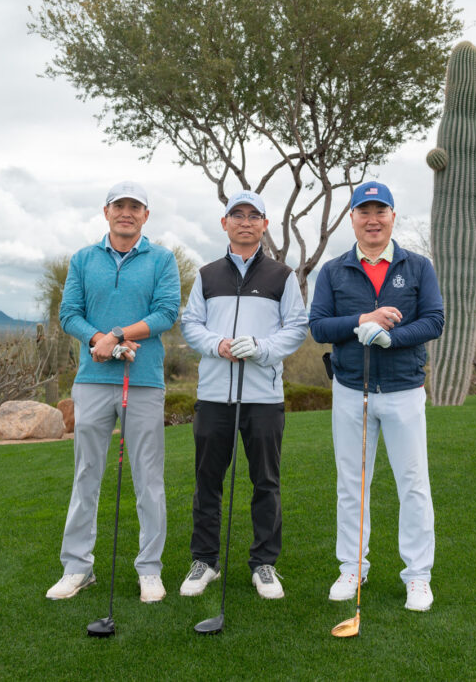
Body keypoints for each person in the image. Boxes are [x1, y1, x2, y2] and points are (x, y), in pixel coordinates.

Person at [308, 180, 445, 613]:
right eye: (364, 212)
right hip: (352, 391)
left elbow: (434, 320)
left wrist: (392, 337)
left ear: (392, 216)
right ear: (352, 218)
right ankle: (352, 568)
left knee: (413, 485)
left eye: (380, 211)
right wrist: (362, 321)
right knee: (352, 485)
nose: (372, 220)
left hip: (404, 391)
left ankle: (418, 575)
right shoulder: (333, 271)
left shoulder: (417, 266)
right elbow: (318, 327)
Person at [46, 181, 181, 604]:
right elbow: (69, 314)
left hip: (143, 382)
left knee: (148, 479)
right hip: (92, 380)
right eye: (118, 205)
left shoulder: (162, 259)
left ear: (145, 215)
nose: (126, 212)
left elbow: (166, 313)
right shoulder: (84, 259)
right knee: (86, 474)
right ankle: (77, 567)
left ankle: (150, 569)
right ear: (106, 212)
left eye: (134, 206)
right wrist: (99, 341)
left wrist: (118, 335)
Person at [179, 191, 308, 600]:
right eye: (238, 215)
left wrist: (261, 348)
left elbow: (297, 326)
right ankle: (205, 561)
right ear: (225, 223)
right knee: (207, 480)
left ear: (265, 225)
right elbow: (190, 323)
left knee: (265, 482)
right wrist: (217, 344)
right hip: (214, 394)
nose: (246, 222)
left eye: (255, 216)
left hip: (263, 396)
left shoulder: (282, 276)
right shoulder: (207, 275)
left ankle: (264, 563)